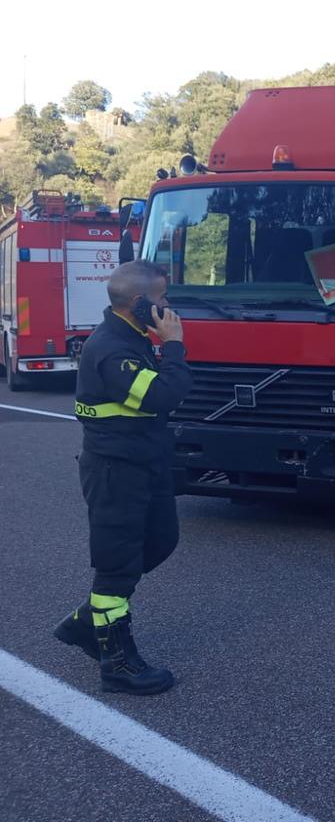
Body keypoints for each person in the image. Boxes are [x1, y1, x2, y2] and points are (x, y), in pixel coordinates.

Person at [53, 261, 192, 695]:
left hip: (143, 465)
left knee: (161, 541)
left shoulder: (130, 337)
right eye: (162, 297)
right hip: (116, 471)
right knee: (116, 569)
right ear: (140, 303)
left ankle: (89, 621)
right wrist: (173, 347)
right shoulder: (111, 348)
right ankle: (117, 664)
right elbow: (164, 395)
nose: (167, 306)